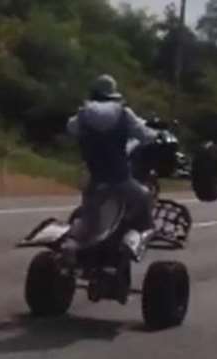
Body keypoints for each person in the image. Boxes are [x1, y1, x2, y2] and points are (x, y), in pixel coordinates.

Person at [64, 74, 158, 262]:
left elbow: (71, 128)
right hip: (120, 180)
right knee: (145, 198)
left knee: (88, 221)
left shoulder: (83, 114)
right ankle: (134, 239)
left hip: (94, 181)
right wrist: (155, 134)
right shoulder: (123, 113)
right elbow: (144, 135)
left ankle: (73, 248)